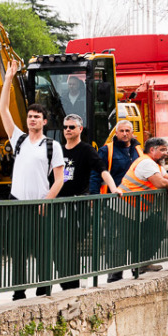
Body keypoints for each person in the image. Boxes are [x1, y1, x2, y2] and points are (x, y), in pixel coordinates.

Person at [0, 61, 64, 299]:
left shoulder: (52, 146)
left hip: (40, 205)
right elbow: (3, 110)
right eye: (30, 116)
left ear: (44, 121)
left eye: (37, 117)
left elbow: (59, 180)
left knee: (42, 250)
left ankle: (44, 288)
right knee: (18, 250)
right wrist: (8, 79)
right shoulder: (18, 139)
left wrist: (46, 201)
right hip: (18, 204)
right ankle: (19, 291)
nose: (32, 120)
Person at [114, 135, 168, 275]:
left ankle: (142, 264)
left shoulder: (154, 164)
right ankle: (115, 277)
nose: (166, 153)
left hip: (137, 209)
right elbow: (160, 182)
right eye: (163, 150)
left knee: (158, 228)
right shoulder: (146, 163)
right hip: (124, 208)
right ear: (152, 149)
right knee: (122, 243)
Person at [55, 113, 105, 290]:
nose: (67, 130)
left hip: (78, 205)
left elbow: (101, 169)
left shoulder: (86, 150)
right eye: (65, 127)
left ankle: (72, 282)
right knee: (61, 244)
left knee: (72, 243)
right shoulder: (58, 150)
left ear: (80, 129)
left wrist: (114, 188)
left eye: (71, 127)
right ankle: (66, 282)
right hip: (59, 204)